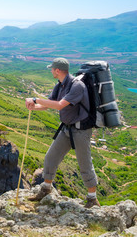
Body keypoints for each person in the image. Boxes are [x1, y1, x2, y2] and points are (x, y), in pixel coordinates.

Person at [25, 57, 100, 208]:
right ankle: (46, 190)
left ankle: (92, 199)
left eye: (52, 69)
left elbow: (59, 105)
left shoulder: (76, 86)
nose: (51, 71)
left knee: (84, 163)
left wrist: (35, 99)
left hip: (81, 131)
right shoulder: (59, 85)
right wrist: (34, 107)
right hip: (67, 128)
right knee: (50, 157)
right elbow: (48, 105)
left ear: (57, 70)